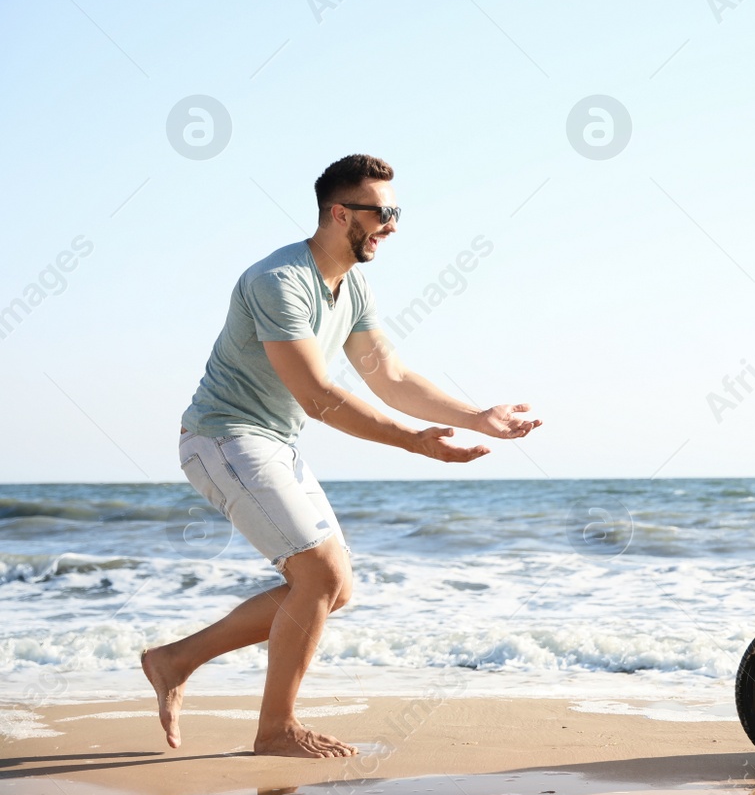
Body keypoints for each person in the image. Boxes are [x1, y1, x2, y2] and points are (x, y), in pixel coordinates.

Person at [142, 155, 539, 759]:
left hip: (274, 440)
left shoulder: (353, 287)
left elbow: (391, 375)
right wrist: (412, 441)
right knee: (319, 576)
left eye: (395, 213)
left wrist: (475, 416)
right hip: (223, 437)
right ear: (339, 213)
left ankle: (175, 659)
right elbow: (318, 394)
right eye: (383, 213)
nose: (393, 226)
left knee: (333, 587)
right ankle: (275, 730)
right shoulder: (278, 281)